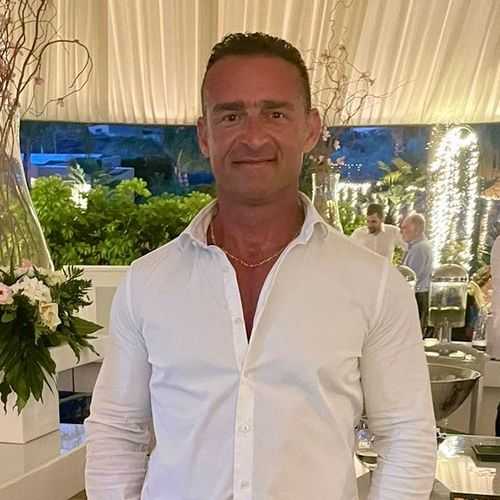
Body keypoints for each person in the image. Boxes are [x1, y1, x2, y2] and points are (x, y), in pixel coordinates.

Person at [85, 32, 436, 500]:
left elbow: (406, 436)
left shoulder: (373, 285)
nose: (253, 137)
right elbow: (117, 432)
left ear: (310, 128)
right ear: (204, 134)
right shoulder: (146, 283)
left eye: (275, 113)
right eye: (231, 115)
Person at [401, 213, 433, 334]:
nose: (402, 231)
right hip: (417, 295)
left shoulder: (420, 248)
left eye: (405, 227)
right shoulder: (416, 246)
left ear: (417, 229)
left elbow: (411, 276)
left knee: (413, 332)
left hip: (418, 295)